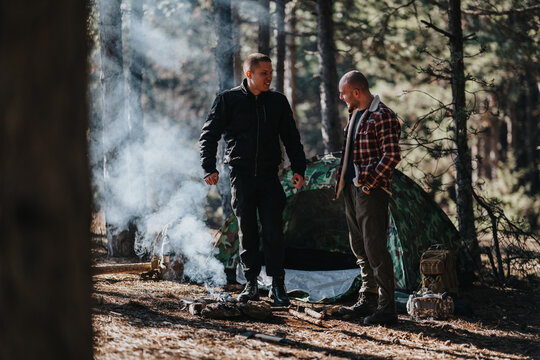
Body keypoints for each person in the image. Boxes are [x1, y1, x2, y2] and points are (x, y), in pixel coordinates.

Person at [200, 53, 306, 306]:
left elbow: (291, 137)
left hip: (270, 176)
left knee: (273, 233)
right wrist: (208, 167)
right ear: (249, 74)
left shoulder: (278, 102)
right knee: (247, 233)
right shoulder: (228, 100)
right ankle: (250, 284)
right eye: (264, 73)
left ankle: (277, 286)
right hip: (241, 176)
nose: (269, 78)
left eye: (271, 73)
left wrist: (298, 168)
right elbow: (209, 135)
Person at [334, 70, 401, 325]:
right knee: (359, 246)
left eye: (343, 93)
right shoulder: (355, 114)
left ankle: (387, 308)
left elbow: (391, 155)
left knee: (375, 249)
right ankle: (368, 299)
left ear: (356, 92)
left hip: (370, 192)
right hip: (351, 189)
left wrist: (369, 183)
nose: (341, 97)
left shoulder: (383, 115)